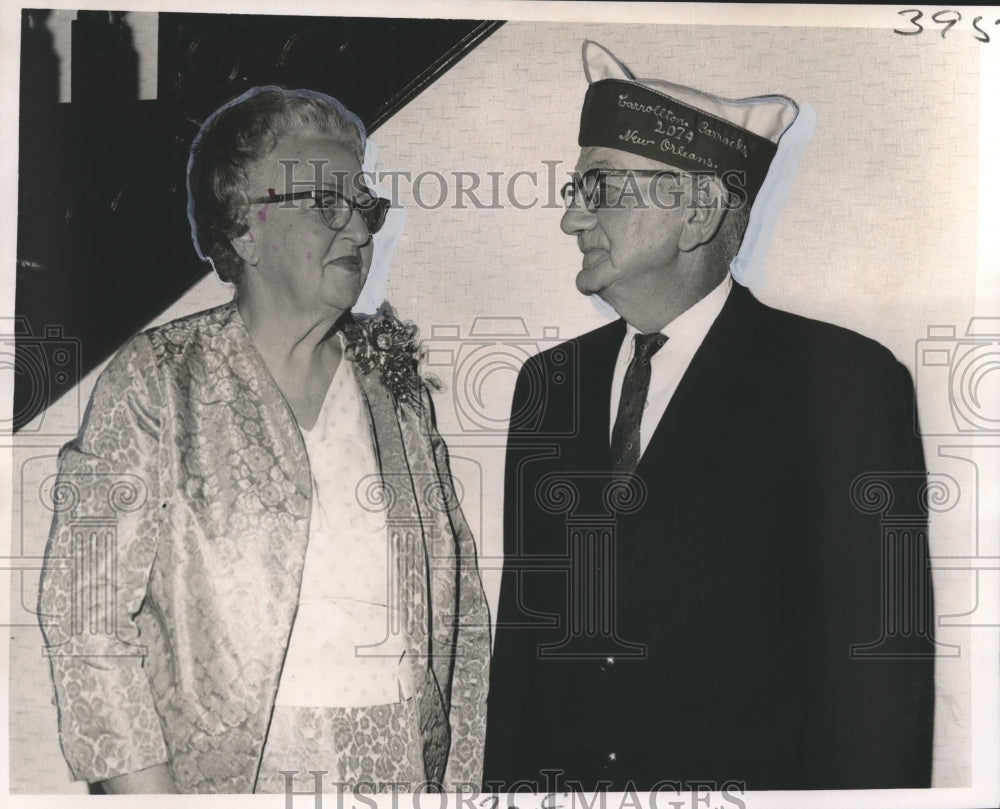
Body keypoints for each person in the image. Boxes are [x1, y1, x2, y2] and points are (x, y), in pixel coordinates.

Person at [484, 41, 935, 792]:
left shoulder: (844, 383)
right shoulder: (548, 386)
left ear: (697, 210)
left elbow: (880, 677)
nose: (570, 218)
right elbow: (524, 653)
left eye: (598, 187)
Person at [38, 86, 490, 794]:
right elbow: (86, 614)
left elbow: (459, 615)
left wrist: (459, 785)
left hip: (394, 760)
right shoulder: (157, 381)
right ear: (244, 229)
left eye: (363, 205)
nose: (360, 231)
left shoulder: (392, 391)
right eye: (324, 202)